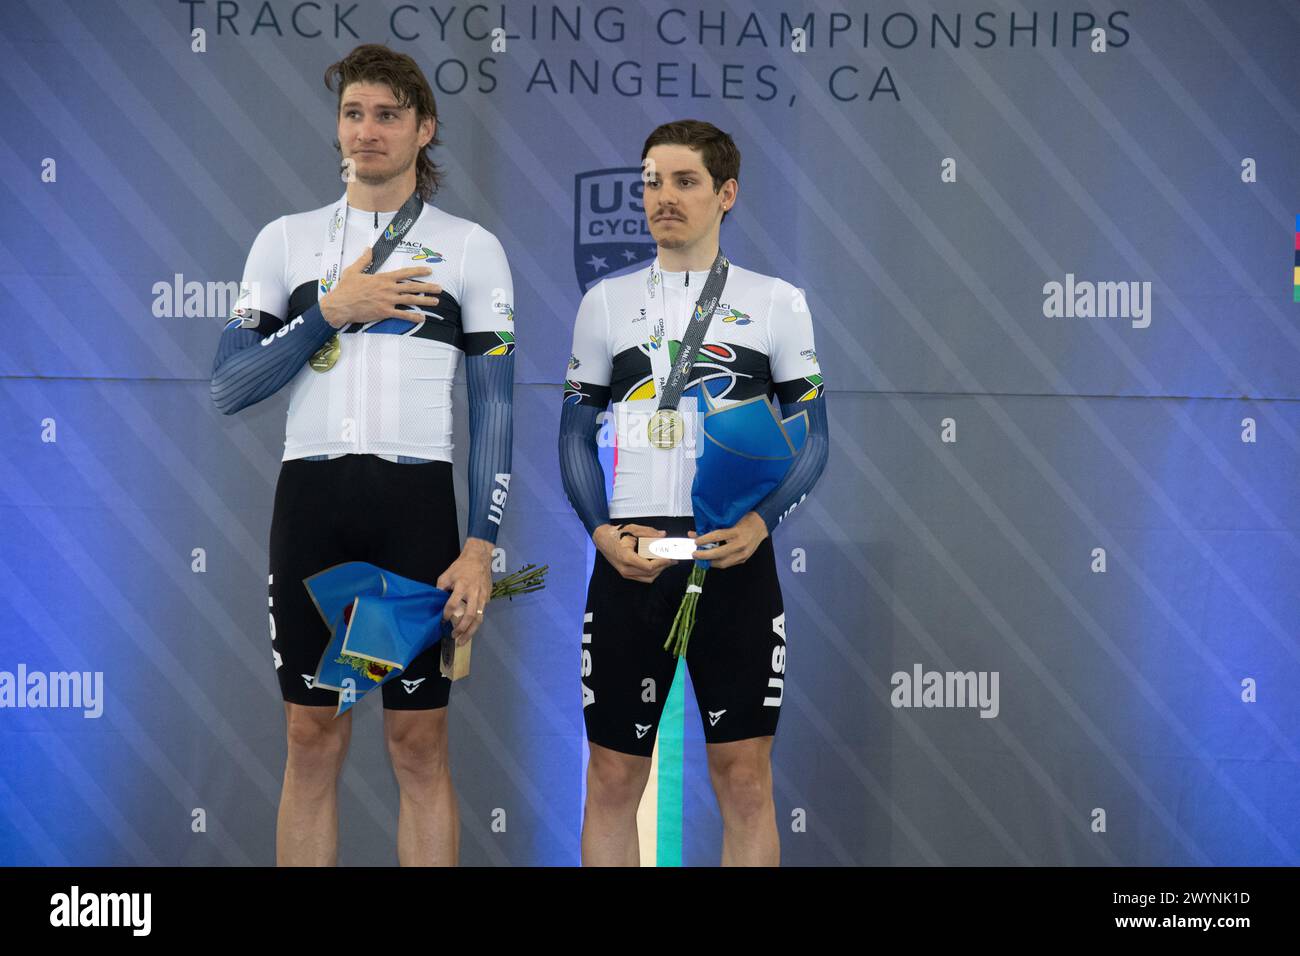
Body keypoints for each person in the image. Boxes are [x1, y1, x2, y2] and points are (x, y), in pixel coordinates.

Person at [210, 44, 515, 866]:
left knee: (419, 747)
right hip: (311, 506)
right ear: (337, 126)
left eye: (387, 114)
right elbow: (228, 389)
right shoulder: (285, 242)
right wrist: (328, 313)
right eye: (354, 113)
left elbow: (495, 406)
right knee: (311, 739)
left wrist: (481, 545)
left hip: (415, 514)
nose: (368, 130)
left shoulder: (470, 248)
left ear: (424, 130)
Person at [558, 120, 830, 866]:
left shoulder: (777, 302)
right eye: (652, 180)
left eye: (684, 182)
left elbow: (816, 440)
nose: (663, 197)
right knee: (613, 776)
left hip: (733, 559)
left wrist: (762, 523)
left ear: (726, 194)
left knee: (742, 778)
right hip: (632, 559)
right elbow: (573, 437)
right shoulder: (604, 304)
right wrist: (601, 532)